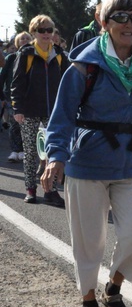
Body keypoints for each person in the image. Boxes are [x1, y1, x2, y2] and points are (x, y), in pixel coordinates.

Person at [41, 0, 132, 307]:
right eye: (121, 18)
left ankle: (112, 288)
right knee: (89, 242)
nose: (129, 25)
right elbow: (62, 117)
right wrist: (55, 156)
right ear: (104, 22)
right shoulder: (84, 66)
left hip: (131, 163)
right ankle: (89, 304)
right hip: (87, 164)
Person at [11, 15, 70, 207]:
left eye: (49, 30)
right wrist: (18, 108)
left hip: (53, 112)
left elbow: (67, 84)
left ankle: (51, 191)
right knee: (30, 152)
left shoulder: (60, 55)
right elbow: (17, 83)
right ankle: (30, 190)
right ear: (34, 32)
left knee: (52, 153)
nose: (46, 34)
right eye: (41, 30)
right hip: (28, 111)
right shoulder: (26, 53)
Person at [0, 32, 32, 163]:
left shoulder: (33, 57)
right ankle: (14, 150)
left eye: (27, 38)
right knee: (14, 124)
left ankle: (24, 151)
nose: (24, 40)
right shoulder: (11, 58)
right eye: (22, 38)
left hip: (30, 96)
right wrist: (2, 94)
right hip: (12, 95)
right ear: (17, 42)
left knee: (26, 124)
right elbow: (2, 76)